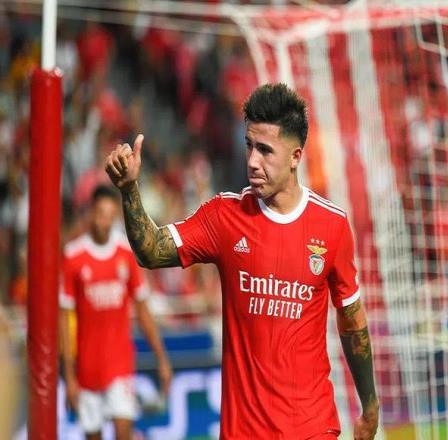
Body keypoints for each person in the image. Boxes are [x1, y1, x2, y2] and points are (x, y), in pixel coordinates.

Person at [105, 83, 379, 439]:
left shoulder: (332, 226)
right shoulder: (225, 216)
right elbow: (151, 250)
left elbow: (352, 320)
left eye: (265, 150)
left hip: (312, 428)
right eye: (249, 146)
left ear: (295, 156)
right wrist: (129, 190)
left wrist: (369, 405)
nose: (252, 161)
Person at [59, 185, 172, 440]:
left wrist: (161, 358)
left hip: (120, 366)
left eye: (110, 216)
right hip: (87, 370)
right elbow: (64, 320)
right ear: (91, 213)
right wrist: (69, 376)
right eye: (101, 214)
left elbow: (142, 310)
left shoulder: (126, 253)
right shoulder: (74, 256)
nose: (105, 222)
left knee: (123, 431)